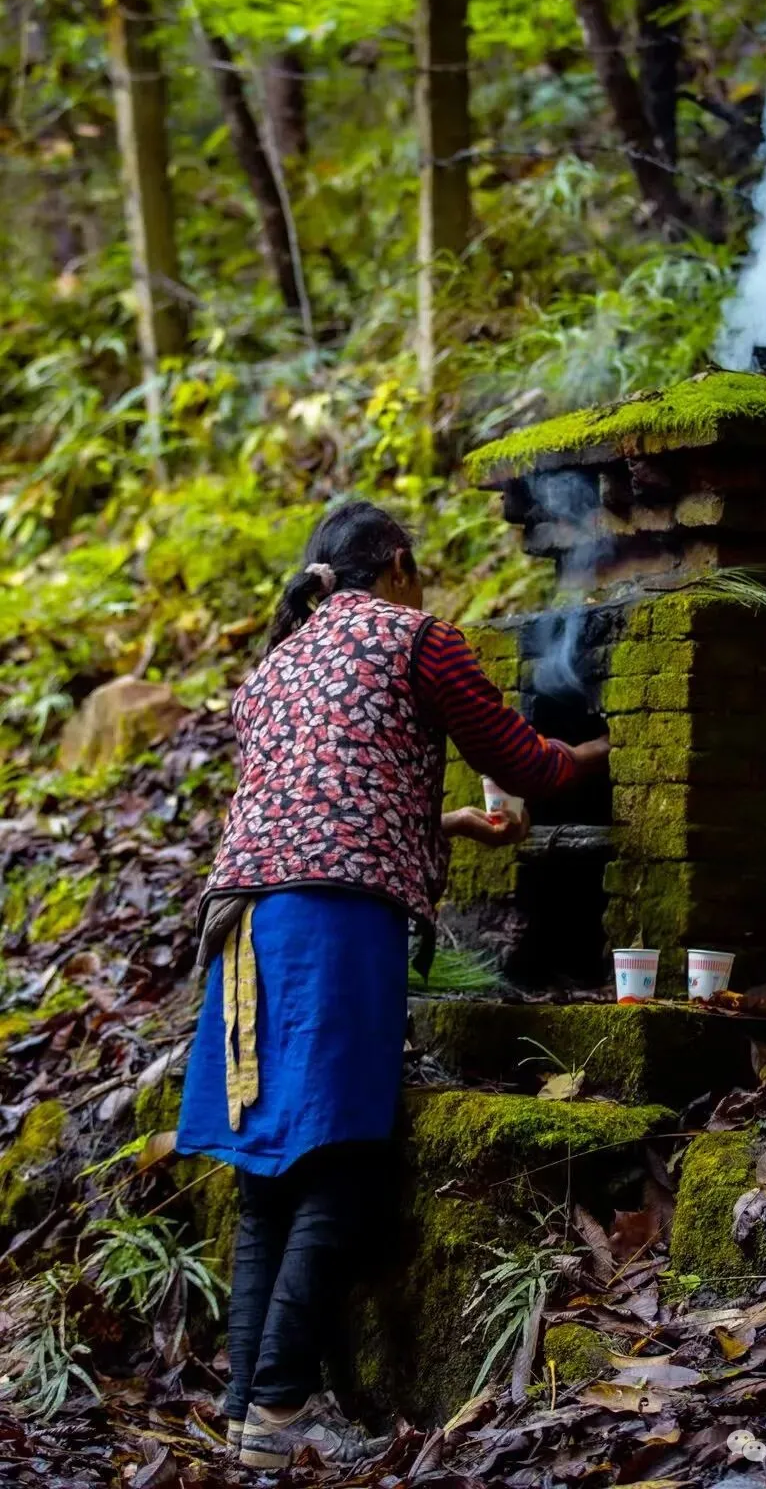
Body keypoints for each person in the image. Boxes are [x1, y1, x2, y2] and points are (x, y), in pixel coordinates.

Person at [176, 499, 607, 1472]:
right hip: (333, 920)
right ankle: (281, 1407)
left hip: (245, 923)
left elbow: (317, 792)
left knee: (266, 1173)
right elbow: (523, 762)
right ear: (401, 565)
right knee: (338, 1160)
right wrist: (598, 753)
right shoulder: (417, 639)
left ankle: (251, 1415)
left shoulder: (277, 663)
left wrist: (439, 825)